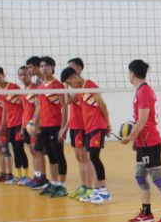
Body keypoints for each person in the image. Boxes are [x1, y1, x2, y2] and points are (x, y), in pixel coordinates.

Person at [123, 59, 161, 222]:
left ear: (132, 73)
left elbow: (143, 120)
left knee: (157, 178)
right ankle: (146, 213)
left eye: (129, 72)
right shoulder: (141, 91)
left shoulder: (144, 92)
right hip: (143, 143)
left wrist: (130, 137)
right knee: (140, 176)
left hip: (150, 142)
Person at [61, 67, 111, 204]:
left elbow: (102, 105)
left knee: (94, 157)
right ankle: (97, 190)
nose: (70, 85)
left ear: (74, 77)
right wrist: (64, 89)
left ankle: (104, 191)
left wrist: (107, 123)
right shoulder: (79, 90)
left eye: (69, 82)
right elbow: (67, 101)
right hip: (88, 128)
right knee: (91, 158)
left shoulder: (90, 85)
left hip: (97, 126)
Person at [32, 57, 68, 197]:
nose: (43, 69)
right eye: (41, 66)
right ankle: (53, 183)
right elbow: (40, 106)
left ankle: (62, 186)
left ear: (52, 67)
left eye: (46, 66)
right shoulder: (40, 86)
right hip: (45, 126)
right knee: (51, 157)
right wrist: (35, 123)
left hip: (56, 125)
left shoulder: (58, 85)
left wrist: (63, 128)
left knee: (59, 156)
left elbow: (64, 107)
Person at [65, 57, 93, 202]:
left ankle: (90, 188)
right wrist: (65, 127)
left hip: (83, 126)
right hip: (74, 126)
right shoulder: (73, 87)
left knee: (86, 158)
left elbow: (67, 101)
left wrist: (63, 88)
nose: (70, 70)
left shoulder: (83, 86)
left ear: (80, 69)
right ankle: (83, 186)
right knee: (79, 157)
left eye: (72, 68)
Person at [0, 68, 28, 185]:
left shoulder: (14, 87)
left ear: (3, 75)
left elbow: (24, 105)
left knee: (20, 149)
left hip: (18, 123)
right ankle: (18, 175)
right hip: (10, 124)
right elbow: (4, 107)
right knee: (14, 149)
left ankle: (26, 175)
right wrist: (3, 124)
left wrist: (24, 123)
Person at [18, 64, 47, 188]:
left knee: (37, 152)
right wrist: (22, 127)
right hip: (26, 125)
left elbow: (40, 107)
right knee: (32, 152)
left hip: (33, 125)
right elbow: (23, 110)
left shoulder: (36, 88)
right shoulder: (23, 91)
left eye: (26, 74)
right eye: (21, 75)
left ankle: (41, 177)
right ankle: (36, 175)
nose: (23, 77)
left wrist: (37, 123)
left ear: (30, 75)